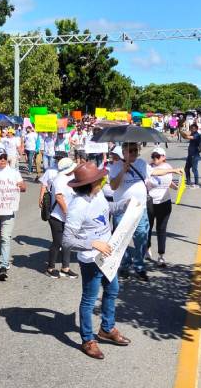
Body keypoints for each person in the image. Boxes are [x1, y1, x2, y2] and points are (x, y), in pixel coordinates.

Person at [62, 162, 132, 359]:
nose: (103, 180)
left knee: (112, 290)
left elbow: (107, 209)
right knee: (89, 299)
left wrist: (124, 205)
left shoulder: (98, 194)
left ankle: (107, 329)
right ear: (90, 183)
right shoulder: (78, 207)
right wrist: (93, 243)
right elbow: (67, 240)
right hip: (91, 260)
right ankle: (87, 340)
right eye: (99, 178)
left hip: (109, 255)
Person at [108, 142, 150, 280]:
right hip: (122, 209)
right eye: (130, 151)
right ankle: (125, 265)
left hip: (140, 208)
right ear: (124, 152)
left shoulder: (142, 163)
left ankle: (139, 266)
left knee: (142, 238)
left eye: (135, 150)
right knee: (121, 240)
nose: (133, 153)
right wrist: (123, 170)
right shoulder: (115, 166)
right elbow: (113, 186)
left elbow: (151, 176)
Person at [0, 148, 25, 280]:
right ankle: (4, 259)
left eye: (4, 157)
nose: (2, 160)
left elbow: (22, 186)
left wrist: (21, 187)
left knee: (5, 237)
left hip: (8, 210)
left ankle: (3, 265)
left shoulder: (14, 173)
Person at [145, 148, 182, 267]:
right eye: (153, 156)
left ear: (164, 157)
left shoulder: (168, 167)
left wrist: (176, 187)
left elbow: (167, 179)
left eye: (157, 156)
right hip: (150, 202)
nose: (155, 158)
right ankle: (147, 249)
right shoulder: (148, 168)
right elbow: (154, 175)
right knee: (148, 228)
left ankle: (161, 255)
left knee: (161, 229)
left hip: (164, 202)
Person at [47, 158, 78, 278]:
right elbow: (59, 198)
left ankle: (65, 267)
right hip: (57, 217)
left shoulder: (71, 177)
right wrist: (67, 213)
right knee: (57, 242)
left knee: (67, 242)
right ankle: (50, 267)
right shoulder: (59, 179)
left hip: (67, 216)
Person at [180, 123, 201, 188]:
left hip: (195, 155)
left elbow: (186, 137)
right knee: (186, 168)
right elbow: (186, 135)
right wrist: (181, 131)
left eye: (193, 128)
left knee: (194, 169)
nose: (191, 129)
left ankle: (197, 183)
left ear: (196, 129)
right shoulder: (193, 134)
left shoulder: (197, 135)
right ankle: (188, 181)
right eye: (191, 128)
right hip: (190, 155)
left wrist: (181, 131)